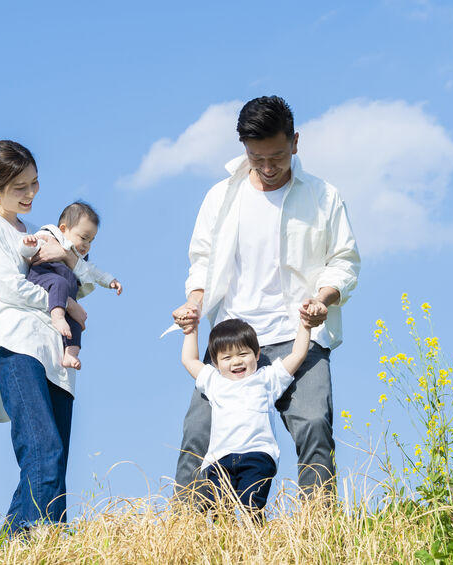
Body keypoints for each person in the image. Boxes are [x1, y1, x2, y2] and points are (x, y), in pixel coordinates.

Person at [172, 96, 361, 498]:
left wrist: (322, 300)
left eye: (277, 156)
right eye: (258, 159)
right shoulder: (221, 197)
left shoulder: (324, 197)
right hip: (233, 340)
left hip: (299, 336)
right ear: (244, 149)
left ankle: (319, 530)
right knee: (198, 435)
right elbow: (201, 261)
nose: (269, 167)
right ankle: (184, 533)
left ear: (295, 142)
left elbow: (344, 261)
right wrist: (194, 301)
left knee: (313, 425)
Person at [0, 140, 107, 532]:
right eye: (20, 187)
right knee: (42, 447)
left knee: (54, 459)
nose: (31, 194)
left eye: (35, 184)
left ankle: (20, 544)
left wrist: (68, 265)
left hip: (56, 355)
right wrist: (63, 304)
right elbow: (9, 287)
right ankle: (40, 544)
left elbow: (76, 283)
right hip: (16, 346)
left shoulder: (34, 232)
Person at [181, 314, 316, 517]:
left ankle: (257, 542)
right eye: (227, 358)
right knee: (218, 513)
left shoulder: (267, 379)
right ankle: (227, 546)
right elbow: (189, 360)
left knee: (250, 507)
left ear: (257, 354)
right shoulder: (214, 381)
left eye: (243, 354)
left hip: (258, 455)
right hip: (219, 460)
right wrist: (191, 330)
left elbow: (296, 355)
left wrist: (305, 326)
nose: (236, 362)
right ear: (216, 363)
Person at [21, 201, 122, 370]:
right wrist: (28, 244)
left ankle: (71, 354)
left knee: (76, 323)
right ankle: (58, 317)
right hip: (44, 277)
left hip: (63, 293)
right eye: (83, 238)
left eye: (91, 241)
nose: (86, 245)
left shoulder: (79, 258)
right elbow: (30, 250)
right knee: (59, 282)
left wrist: (110, 281)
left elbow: (94, 272)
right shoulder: (51, 235)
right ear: (63, 229)